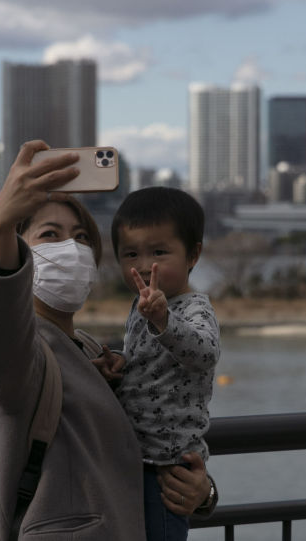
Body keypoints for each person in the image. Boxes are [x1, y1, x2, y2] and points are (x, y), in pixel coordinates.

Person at [0, 140, 216, 541]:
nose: (71, 247)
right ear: (20, 250)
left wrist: (202, 492)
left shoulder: (89, 351)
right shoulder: (18, 352)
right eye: (50, 234)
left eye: (82, 236)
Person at [95, 186, 220, 541]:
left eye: (159, 252)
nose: (143, 265)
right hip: (135, 456)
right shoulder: (140, 306)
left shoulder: (194, 308)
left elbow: (205, 353)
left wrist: (164, 322)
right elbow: (147, 362)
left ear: (193, 255)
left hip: (167, 464)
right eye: (130, 253)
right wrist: (119, 365)